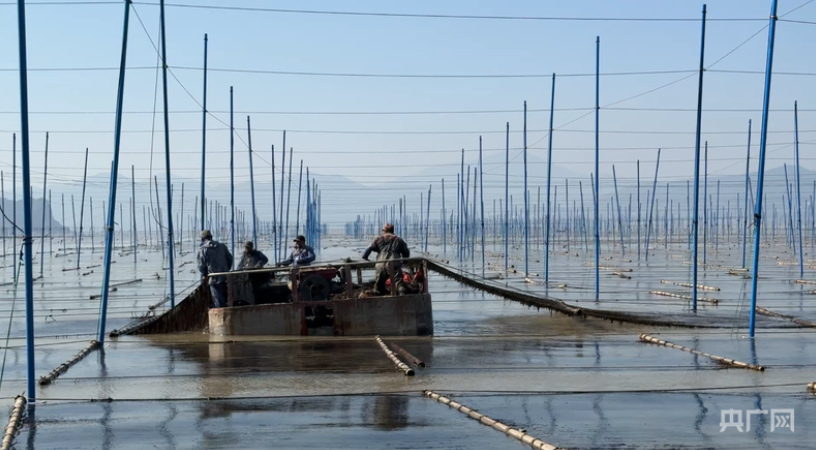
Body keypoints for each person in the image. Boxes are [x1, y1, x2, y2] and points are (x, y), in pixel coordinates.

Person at [362, 223, 410, 295]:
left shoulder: (378, 240)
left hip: (380, 264)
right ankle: (401, 299)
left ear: (384, 231)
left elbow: (366, 252)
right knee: (399, 284)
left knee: (378, 287)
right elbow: (406, 253)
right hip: (393, 263)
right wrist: (404, 262)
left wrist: (367, 259)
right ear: (393, 231)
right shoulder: (399, 240)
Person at [197, 229, 234, 308]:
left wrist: (204, 274)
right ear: (211, 237)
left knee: (217, 299)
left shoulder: (203, 249)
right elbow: (230, 258)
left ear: (202, 239)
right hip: (226, 276)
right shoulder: (222, 246)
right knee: (228, 296)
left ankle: (222, 314)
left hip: (214, 277)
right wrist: (226, 269)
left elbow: (201, 265)